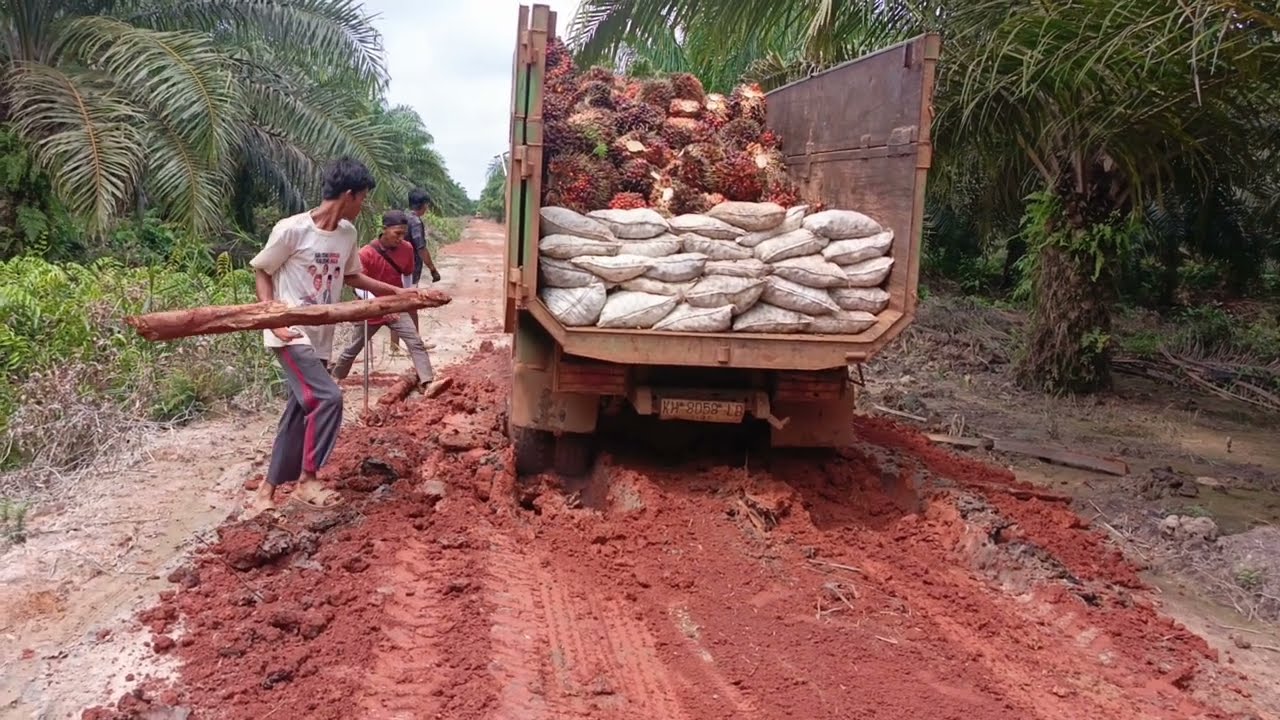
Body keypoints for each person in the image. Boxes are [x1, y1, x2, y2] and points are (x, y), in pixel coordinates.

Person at [245, 157, 415, 518]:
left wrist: (399, 294)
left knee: (297, 413)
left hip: (321, 337)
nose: (364, 205)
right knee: (328, 398)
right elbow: (262, 271)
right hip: (291, 335)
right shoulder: (291, 230)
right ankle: (307, 481)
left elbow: (353, 277)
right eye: (363, 198)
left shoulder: (347, 234)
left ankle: (265, 493)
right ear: (349, 194)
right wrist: (273, 322)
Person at [331, 211, 438, 391]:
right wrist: (380, 308)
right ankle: (335, 379)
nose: (401, 238)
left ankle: (427, 382)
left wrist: (407, 298)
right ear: (384, 229)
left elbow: (407, 275)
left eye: (404, 233)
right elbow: (358, 286)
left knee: (415, 342)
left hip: (396, 306)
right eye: (397, 233)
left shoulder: (408, 249)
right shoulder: (365, 254)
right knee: (353, 348)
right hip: (370, 307)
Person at [391, 188, 441, 350]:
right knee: (412, 304)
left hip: (396, 267)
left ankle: (394, 345)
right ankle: (416, 343)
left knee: (397, 304)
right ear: (423, 205)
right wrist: (433, 269)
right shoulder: (416, 222)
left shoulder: (402, 217)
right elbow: (421, 248)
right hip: (409, 269)